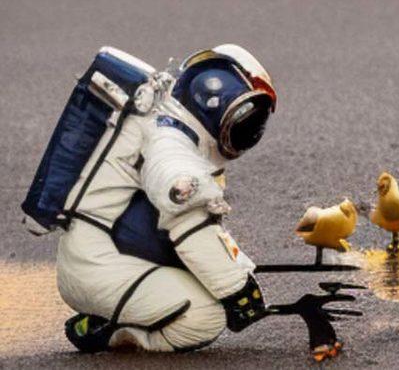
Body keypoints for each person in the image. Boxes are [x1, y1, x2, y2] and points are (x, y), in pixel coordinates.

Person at [56, 44, 276, 352]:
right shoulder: (170, 148)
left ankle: (118, 310)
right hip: (98, 265)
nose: (251, 132)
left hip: (100, 249)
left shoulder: (169, 124)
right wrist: (237, 289)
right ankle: (113, 330)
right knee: (205, 316)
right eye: (247, 120)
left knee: (206, 273)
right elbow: (190, 227)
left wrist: (237, 269)